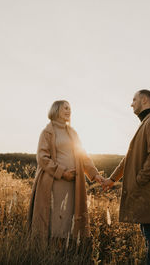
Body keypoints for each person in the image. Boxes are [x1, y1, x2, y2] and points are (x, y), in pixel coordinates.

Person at [102, 90, 150, 264]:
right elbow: (128, 159)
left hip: (148, 192)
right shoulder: (146, 123)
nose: (131, 103)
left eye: (134, 99)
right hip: (144, 193)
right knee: (148, 236)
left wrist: (139, 180)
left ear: (144, 100)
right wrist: (112, 179)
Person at [27, 100, 104, 244]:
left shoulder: (73, 133)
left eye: (70, 109)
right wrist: (63, 173)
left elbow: (83, 155)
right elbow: (42, 158)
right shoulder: (47, 132)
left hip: (73, 183)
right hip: (54, 183)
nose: (69, 111)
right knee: (55, 218)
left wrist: (95, 174)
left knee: (69, 218)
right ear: (56, 110)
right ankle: (50, 251)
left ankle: (67, 251)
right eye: (65, 108)